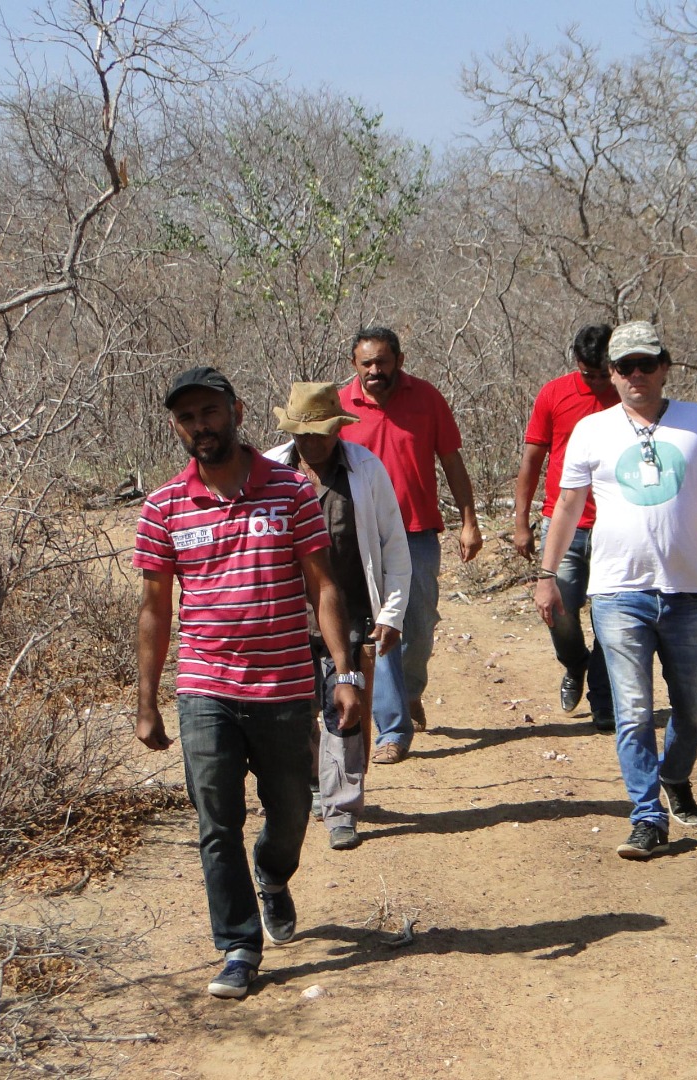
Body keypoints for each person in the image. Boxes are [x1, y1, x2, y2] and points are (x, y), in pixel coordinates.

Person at [133, 366, 360, 999]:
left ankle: (274, 872)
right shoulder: (164, 506)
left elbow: (323, 586)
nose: (199, 426)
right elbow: (155, 608)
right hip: (205, 687)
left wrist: (344, 673)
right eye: (187, 418)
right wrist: (147, 701)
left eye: (209, 412)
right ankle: (238, 944)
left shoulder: (288, 491)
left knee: (290, 812)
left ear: (236, 410)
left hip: (285, 687)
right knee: (216, 820)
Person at [533, 322, 697, 861]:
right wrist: (546, 574)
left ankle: (674, 777)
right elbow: (565, 506)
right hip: (616, 593)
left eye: (645, 364)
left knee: (694, 708)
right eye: (624, 366)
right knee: (632, 711)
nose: (636, 375)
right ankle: (647, 817)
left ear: (664, 367)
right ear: (611, 373)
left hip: (685, 591)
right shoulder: (592, 430)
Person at [266, 382, 411, 851]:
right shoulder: (269, 470)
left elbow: (393, 544)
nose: (314, 442)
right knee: (294, 713)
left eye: (323, 432)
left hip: (347, 616)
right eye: (305, 434)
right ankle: (311, 783)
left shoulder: (366, 470)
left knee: (344, 707)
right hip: (283, 617)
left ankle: (343, 808)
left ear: (338, 429)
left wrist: (391, 612)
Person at [339, 326, 483, 761]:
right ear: (354, 365)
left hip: (417, 531)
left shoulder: (426, 398)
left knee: (418, 625)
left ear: (399, 360)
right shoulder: (338, 406)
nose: (375, 371)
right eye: (367, 363)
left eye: (383, 361)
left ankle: (410, 689)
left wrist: (469, 521)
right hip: (361, 537)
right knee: (381, 628)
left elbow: (451, 460)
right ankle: (392, 730)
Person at [513, 324, 620, 731]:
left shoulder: (629, 394)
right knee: (559, 611)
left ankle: (604, 702)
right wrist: (522, 522)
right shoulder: (553, 394)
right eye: (588, 374)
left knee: (610, 617)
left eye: (603, 373)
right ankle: (576, 664)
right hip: (563, 523)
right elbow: (531, 461)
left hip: (615, 524)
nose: (597, 382)